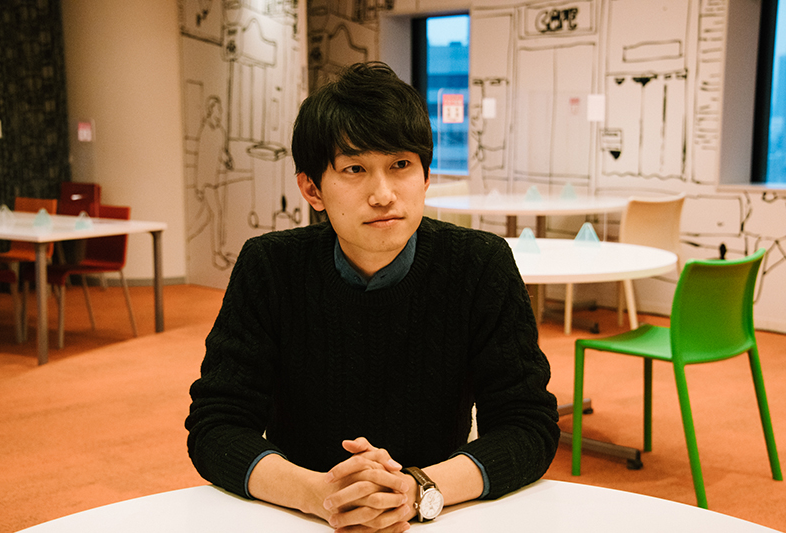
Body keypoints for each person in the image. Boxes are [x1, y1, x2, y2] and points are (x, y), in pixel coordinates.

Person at [186, 61, 559, 533]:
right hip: (297, 518)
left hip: (435, 518)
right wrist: (317, 494)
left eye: (400, 165)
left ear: (426, 176)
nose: (383, 194)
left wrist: (416, 487)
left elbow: (527, 424)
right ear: (312, 189)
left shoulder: (479, 264)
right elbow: (216, 425)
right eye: (354, 169)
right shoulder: (271, 267)